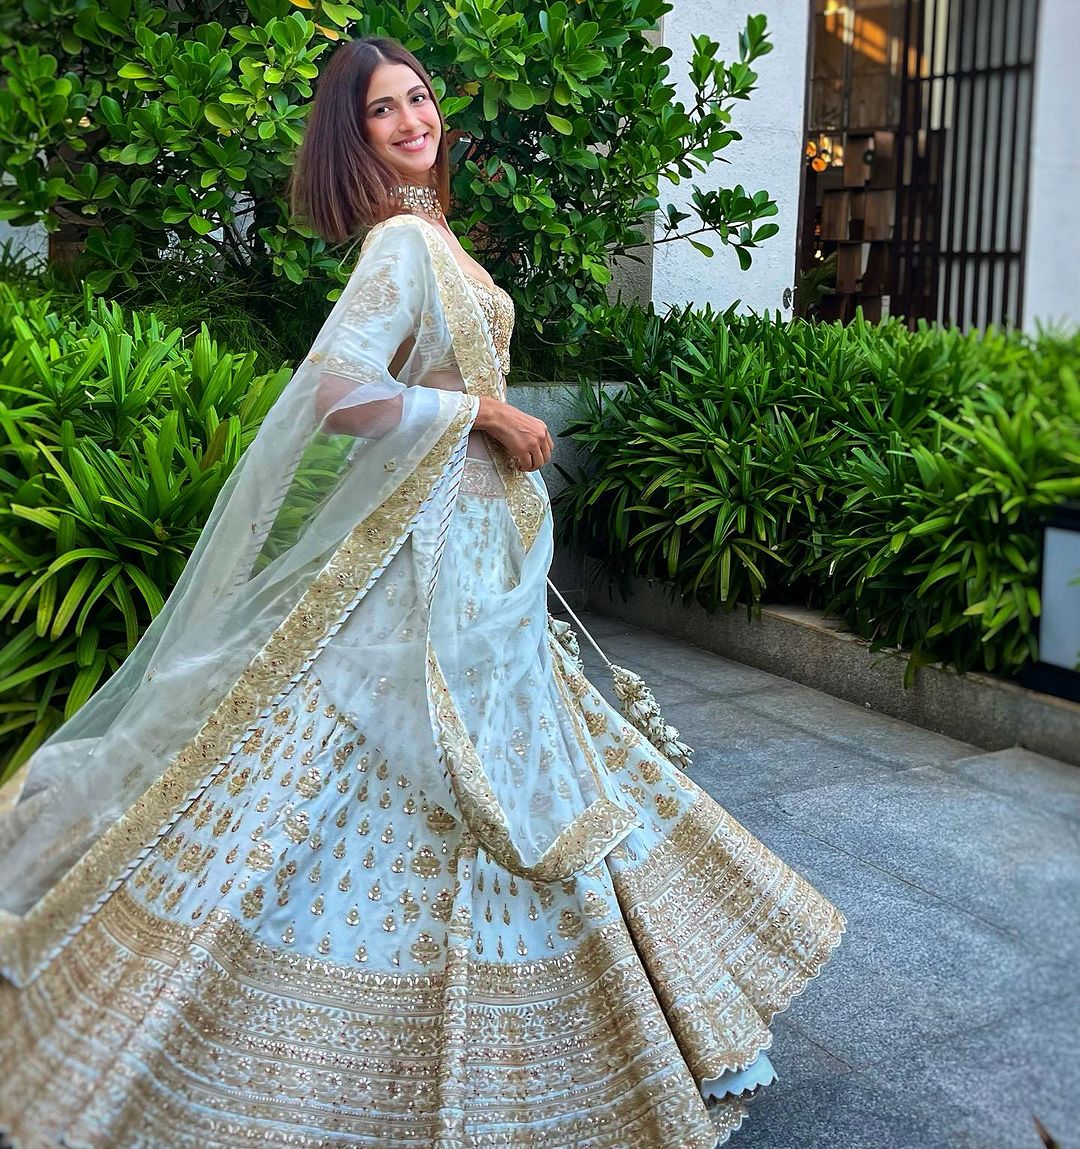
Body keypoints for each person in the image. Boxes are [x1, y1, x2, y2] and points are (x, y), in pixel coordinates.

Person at [0, 36, 844, 1148]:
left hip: (478, 547)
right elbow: (340, 395)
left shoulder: (432, 231)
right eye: (382, 111)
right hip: (436, 552)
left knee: (496, 755)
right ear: (351, 137)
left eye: (419, 97)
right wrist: (482, 413)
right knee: (390, 763)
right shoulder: (400, 241)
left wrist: (482, 427)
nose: (412, 120)